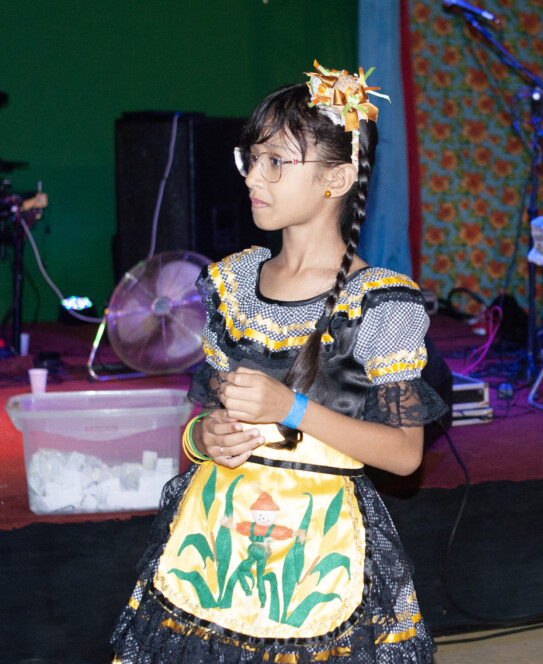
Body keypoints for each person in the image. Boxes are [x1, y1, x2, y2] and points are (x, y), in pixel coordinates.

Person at [111, 62, 446, 663]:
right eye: (251, 158)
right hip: (217, 542)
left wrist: (291, 408)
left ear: (336, 177)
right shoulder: (234, 284)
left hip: (316, 549)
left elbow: (405, 454)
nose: (252, 177)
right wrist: (203, 437)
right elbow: (199, 426)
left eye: (275, 162)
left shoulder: (380, 302)